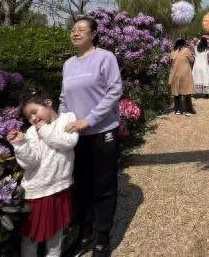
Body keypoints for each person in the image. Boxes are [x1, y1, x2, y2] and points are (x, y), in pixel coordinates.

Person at [61, 16, 122, 257]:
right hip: (77, 136)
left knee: (104, 185)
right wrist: (63, 122)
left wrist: (90, 119)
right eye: (73, 30)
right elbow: (64, 99)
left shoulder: (105, 58)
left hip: (102, 132)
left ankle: (102, 238)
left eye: (81, 29)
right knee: (82, 186)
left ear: (94, 33)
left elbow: (115, 91)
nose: (75, 33)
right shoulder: (68, 64)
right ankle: (84, 234)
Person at [8, 93, 79, 257]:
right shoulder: (31, 132)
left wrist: (45, 130)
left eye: (34, 111)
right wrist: (20, 144)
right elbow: (30, 163)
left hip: (60, 187)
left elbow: (68, 142)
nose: (33, 118)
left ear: (48, 103)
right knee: (30, 236)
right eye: (28, 117)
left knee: (56, 232)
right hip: (36, 192)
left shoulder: (67, 119)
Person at [169, 38, 196, 115]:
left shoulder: (173, 51)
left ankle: (177, 109)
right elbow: (192, 60)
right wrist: (193, 56)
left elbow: (170, 62)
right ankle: (187, 109)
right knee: (187, 91)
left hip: (175, 74)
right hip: (185, 73)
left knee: (176, 92)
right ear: (184, 44)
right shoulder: (187, 50)